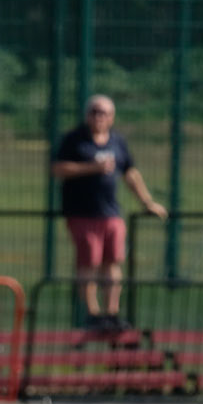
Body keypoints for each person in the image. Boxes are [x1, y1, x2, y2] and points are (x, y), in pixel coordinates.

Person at [51, 94, 167, 331]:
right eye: (94, 111)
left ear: (111, 117)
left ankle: (111, 314)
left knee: (113, 262)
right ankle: (92, 314)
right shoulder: (74, 140)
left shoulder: (117, 142)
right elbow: (58, 168)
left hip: (111, 213)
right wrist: (92, 167)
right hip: (82, 213)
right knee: (88, 263)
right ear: (87, 115)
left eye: (103, 112)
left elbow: (130, 173)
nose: (98, 116)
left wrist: (147, 202)